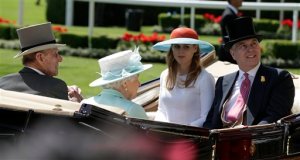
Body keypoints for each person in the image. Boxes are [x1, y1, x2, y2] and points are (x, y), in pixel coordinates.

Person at [203, 17, 295, 129]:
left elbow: (275, 117)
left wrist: (247, 134)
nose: (250, 49)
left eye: (254, 44)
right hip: (219, 141)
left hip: (254, 142)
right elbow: (211, 119)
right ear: (233, 54)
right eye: (243, 46)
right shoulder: (223, 81)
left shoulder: (278, 78)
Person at [0, 22, 83, 102]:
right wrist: (77, 102)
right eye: (56, 54)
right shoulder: (55, 86)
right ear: (40, 57)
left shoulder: (2, 83)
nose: (60, 59)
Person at [152, 27, 215, 127]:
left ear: (195, 48)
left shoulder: (205, 78)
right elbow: (161, 110)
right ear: (171, 49)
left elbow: (207, 117)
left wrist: (181, 131)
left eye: (186, 47)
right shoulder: (165, 75)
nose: (181, 51)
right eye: (176, 46)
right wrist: (164, 129)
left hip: (192, 137)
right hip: (165, 135)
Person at [81, 48, 152, 119]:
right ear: (125, 84)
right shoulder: (132, 109)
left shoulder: (85, 104)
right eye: (137, 79)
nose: (139, 84)